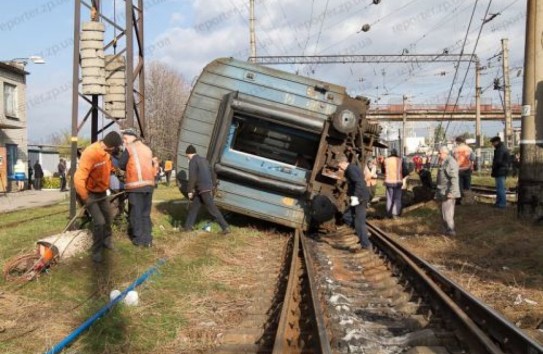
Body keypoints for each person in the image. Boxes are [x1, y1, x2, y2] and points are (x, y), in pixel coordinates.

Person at [74, 131, 123, 262]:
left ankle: (107, 242)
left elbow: (106, 168)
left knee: (108, 218)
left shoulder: (107, 153)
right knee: (99, 222)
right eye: (117, 147)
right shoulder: (91, 153)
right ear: (111, 146)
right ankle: (96, 251)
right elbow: (78, 179)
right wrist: (85, 197)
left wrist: (117, 172)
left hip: (102, 193)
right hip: (90, 194)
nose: (117, 149)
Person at [119, 128, 155, 247]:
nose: (124, 141)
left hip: (136, 186)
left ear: (132, 136)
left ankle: (139, 240)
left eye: (125, 138)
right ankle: (148, 239)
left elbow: (121, 164)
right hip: (149, 185)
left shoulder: (130, 148)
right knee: (145, 213)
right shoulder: (147, 149)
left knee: (136, 213)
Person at [183, 145, 230, 234]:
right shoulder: (204, 160)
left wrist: (189, 190)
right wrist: (212, 184)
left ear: (188, 154)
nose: (187, 157)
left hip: (202, 188)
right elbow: (212, 172)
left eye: (187, 156)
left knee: (212, 209)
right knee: (194, 208)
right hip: (204, 188)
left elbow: (192, 176)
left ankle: (225, 227)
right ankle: (188, 227)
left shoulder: (193, 161)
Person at [338, 155, 372, 249]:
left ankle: (366, 245)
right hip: (360, 196)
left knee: (359, 222)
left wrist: (355, 197)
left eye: (339, 165)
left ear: (342, 163)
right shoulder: (352, 167)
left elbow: (359, 183)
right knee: (346, 216)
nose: (339, 168)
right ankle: (363, 232)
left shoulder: (350, 170)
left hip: (360, 198)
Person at [435, 146, 461, 236]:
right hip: (443, 192)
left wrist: (452, 192)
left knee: (448, 213)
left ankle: (450, 231)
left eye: (439, 153)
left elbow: (454, 178)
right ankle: (446, 230)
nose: (438, 155)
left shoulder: (450, 162)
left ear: (445, 153)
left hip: (448, 192)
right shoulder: (444, 161)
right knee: (444, 213)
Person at [384, 149, 406, 219]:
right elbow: (405, 171)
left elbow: (383, 170)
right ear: (396, 153)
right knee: (397, 198)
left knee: (389, 198)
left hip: (388, 182)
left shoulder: (386, 160)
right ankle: (395, 214)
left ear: (391, 153)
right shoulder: (400, 160)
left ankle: (389, 213)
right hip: (397, 183)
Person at [490, 136, 510, 209]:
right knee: (499, 187)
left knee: (500, 188)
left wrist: (494, 167)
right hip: (502, 170)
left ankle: (501, 204)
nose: (492, 144)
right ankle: (499, 202)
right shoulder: (502, 148)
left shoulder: (500, 150)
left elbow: (498, 161)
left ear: (496, 142)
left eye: (493, 143)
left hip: (500, 170)